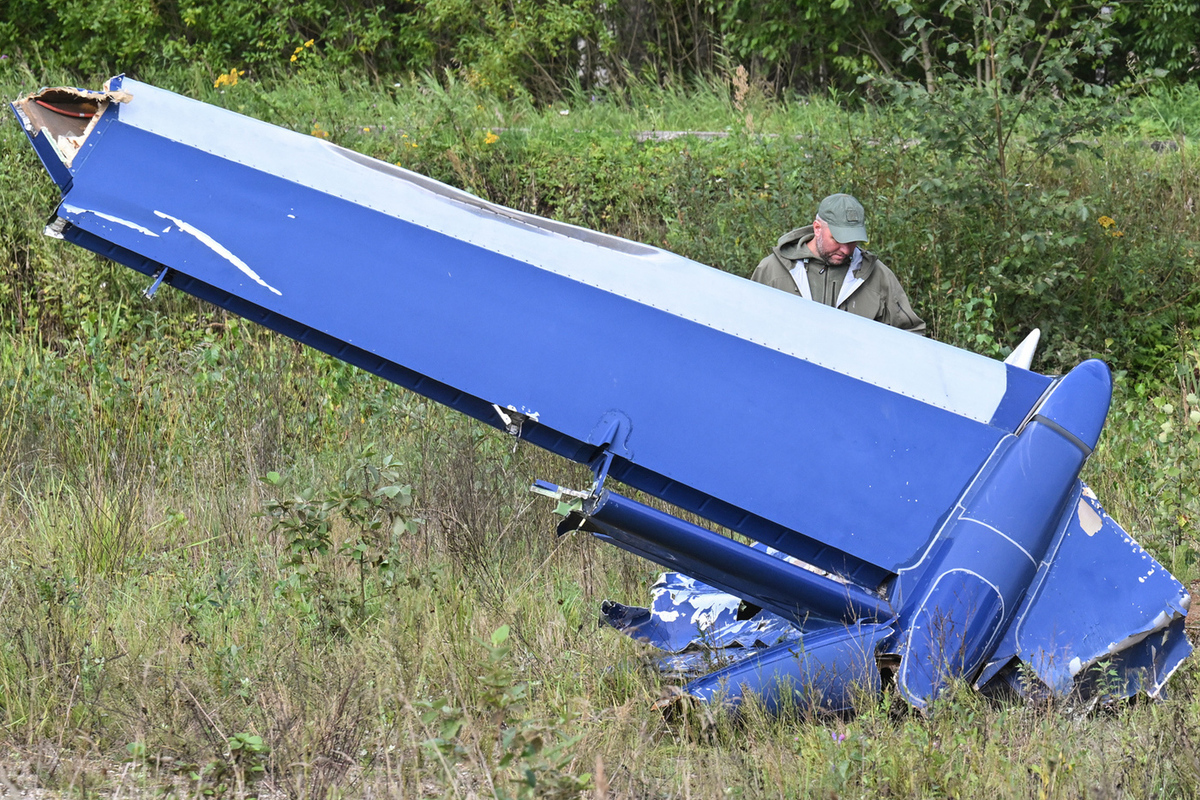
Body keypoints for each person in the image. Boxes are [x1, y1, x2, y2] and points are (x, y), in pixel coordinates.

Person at [751, 193, 926, 334]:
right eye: (837, 240)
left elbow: (912, 334)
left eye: (852, 241)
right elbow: (748, 327)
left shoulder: (878, 276)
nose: (846, 250)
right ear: (817, 228)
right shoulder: (772, 271)